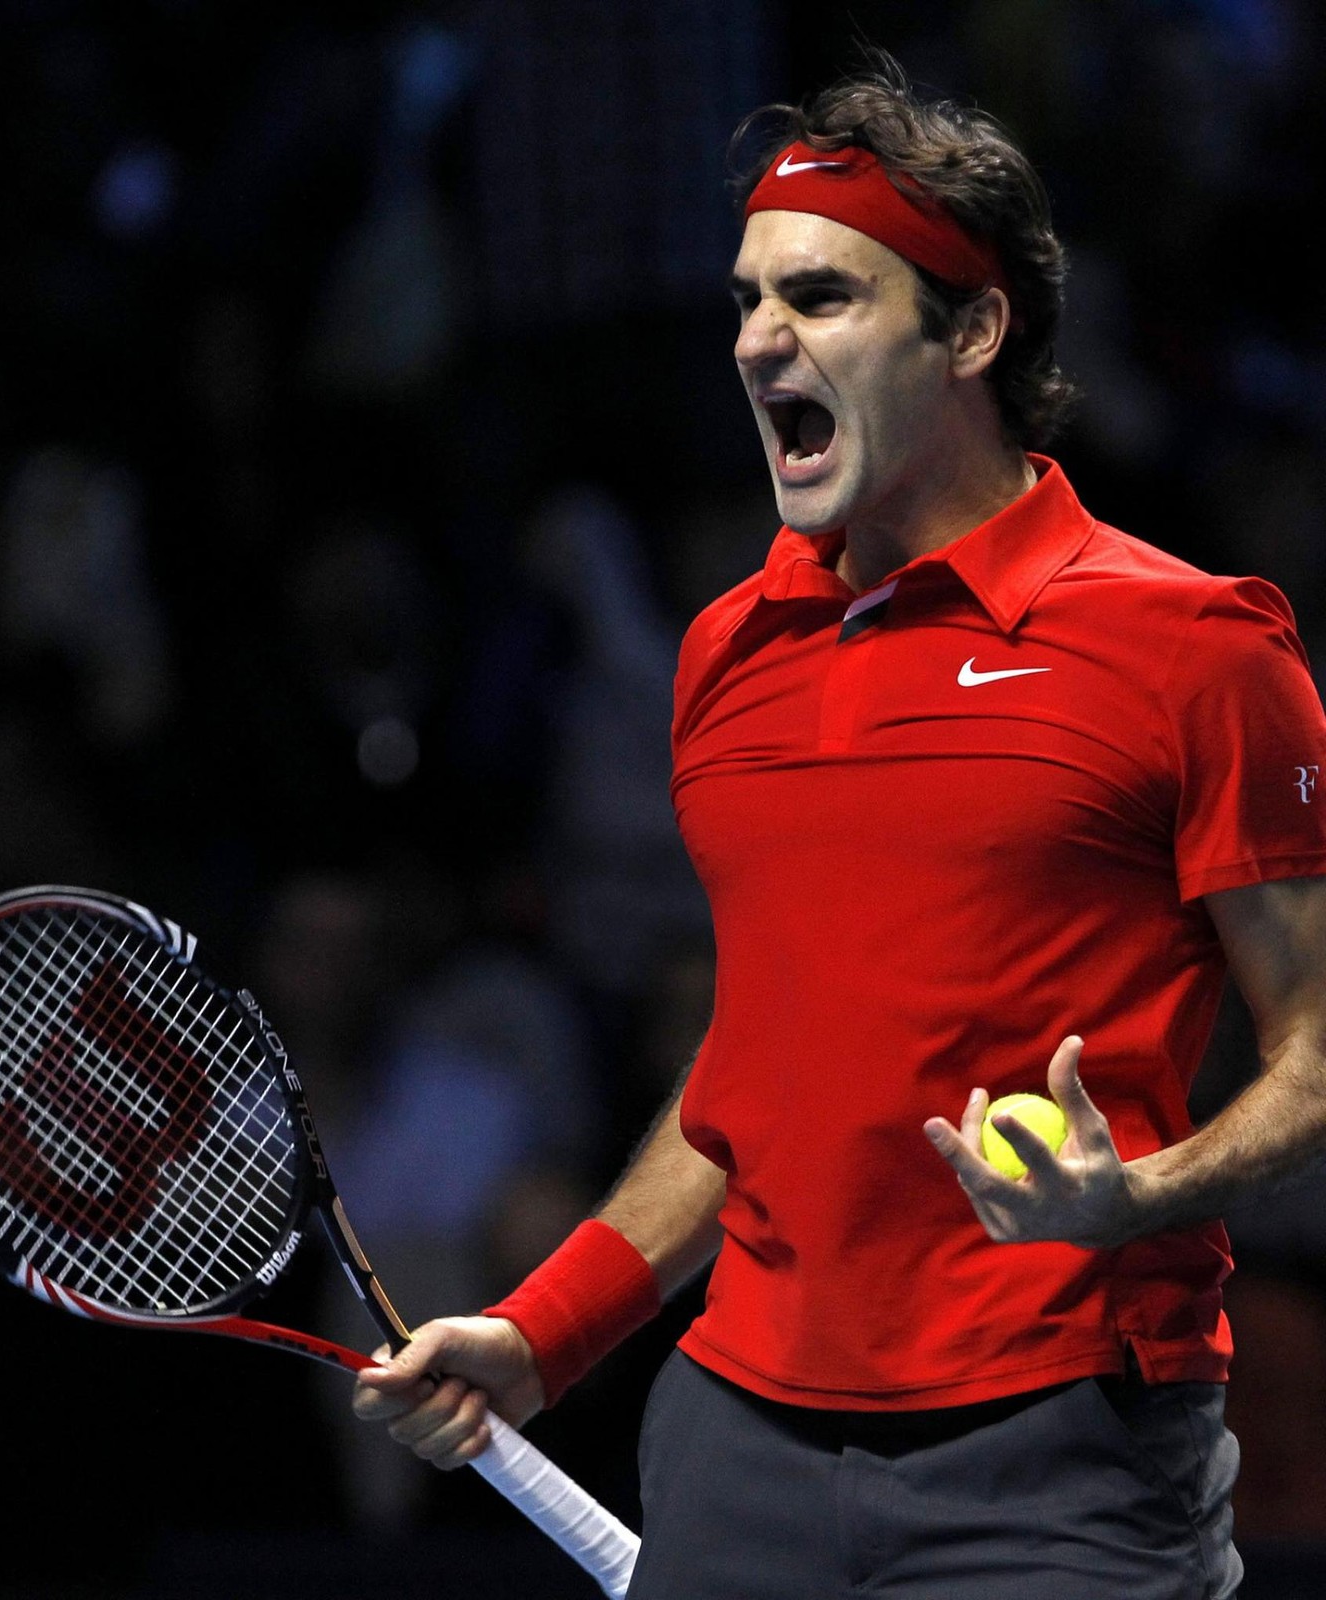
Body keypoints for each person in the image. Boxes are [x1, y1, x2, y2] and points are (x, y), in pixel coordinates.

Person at [352, 53, 1326, 1598]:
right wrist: (547, 1333)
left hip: (1067, 1458)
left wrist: (1133, 1195)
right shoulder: (726, 653)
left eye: (818, 299)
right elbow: (757, 1063)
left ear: (974, 330)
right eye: (746, 299)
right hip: (739, 1442)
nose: (756, 343)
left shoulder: (1194, 648)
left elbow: (1317, 1048)